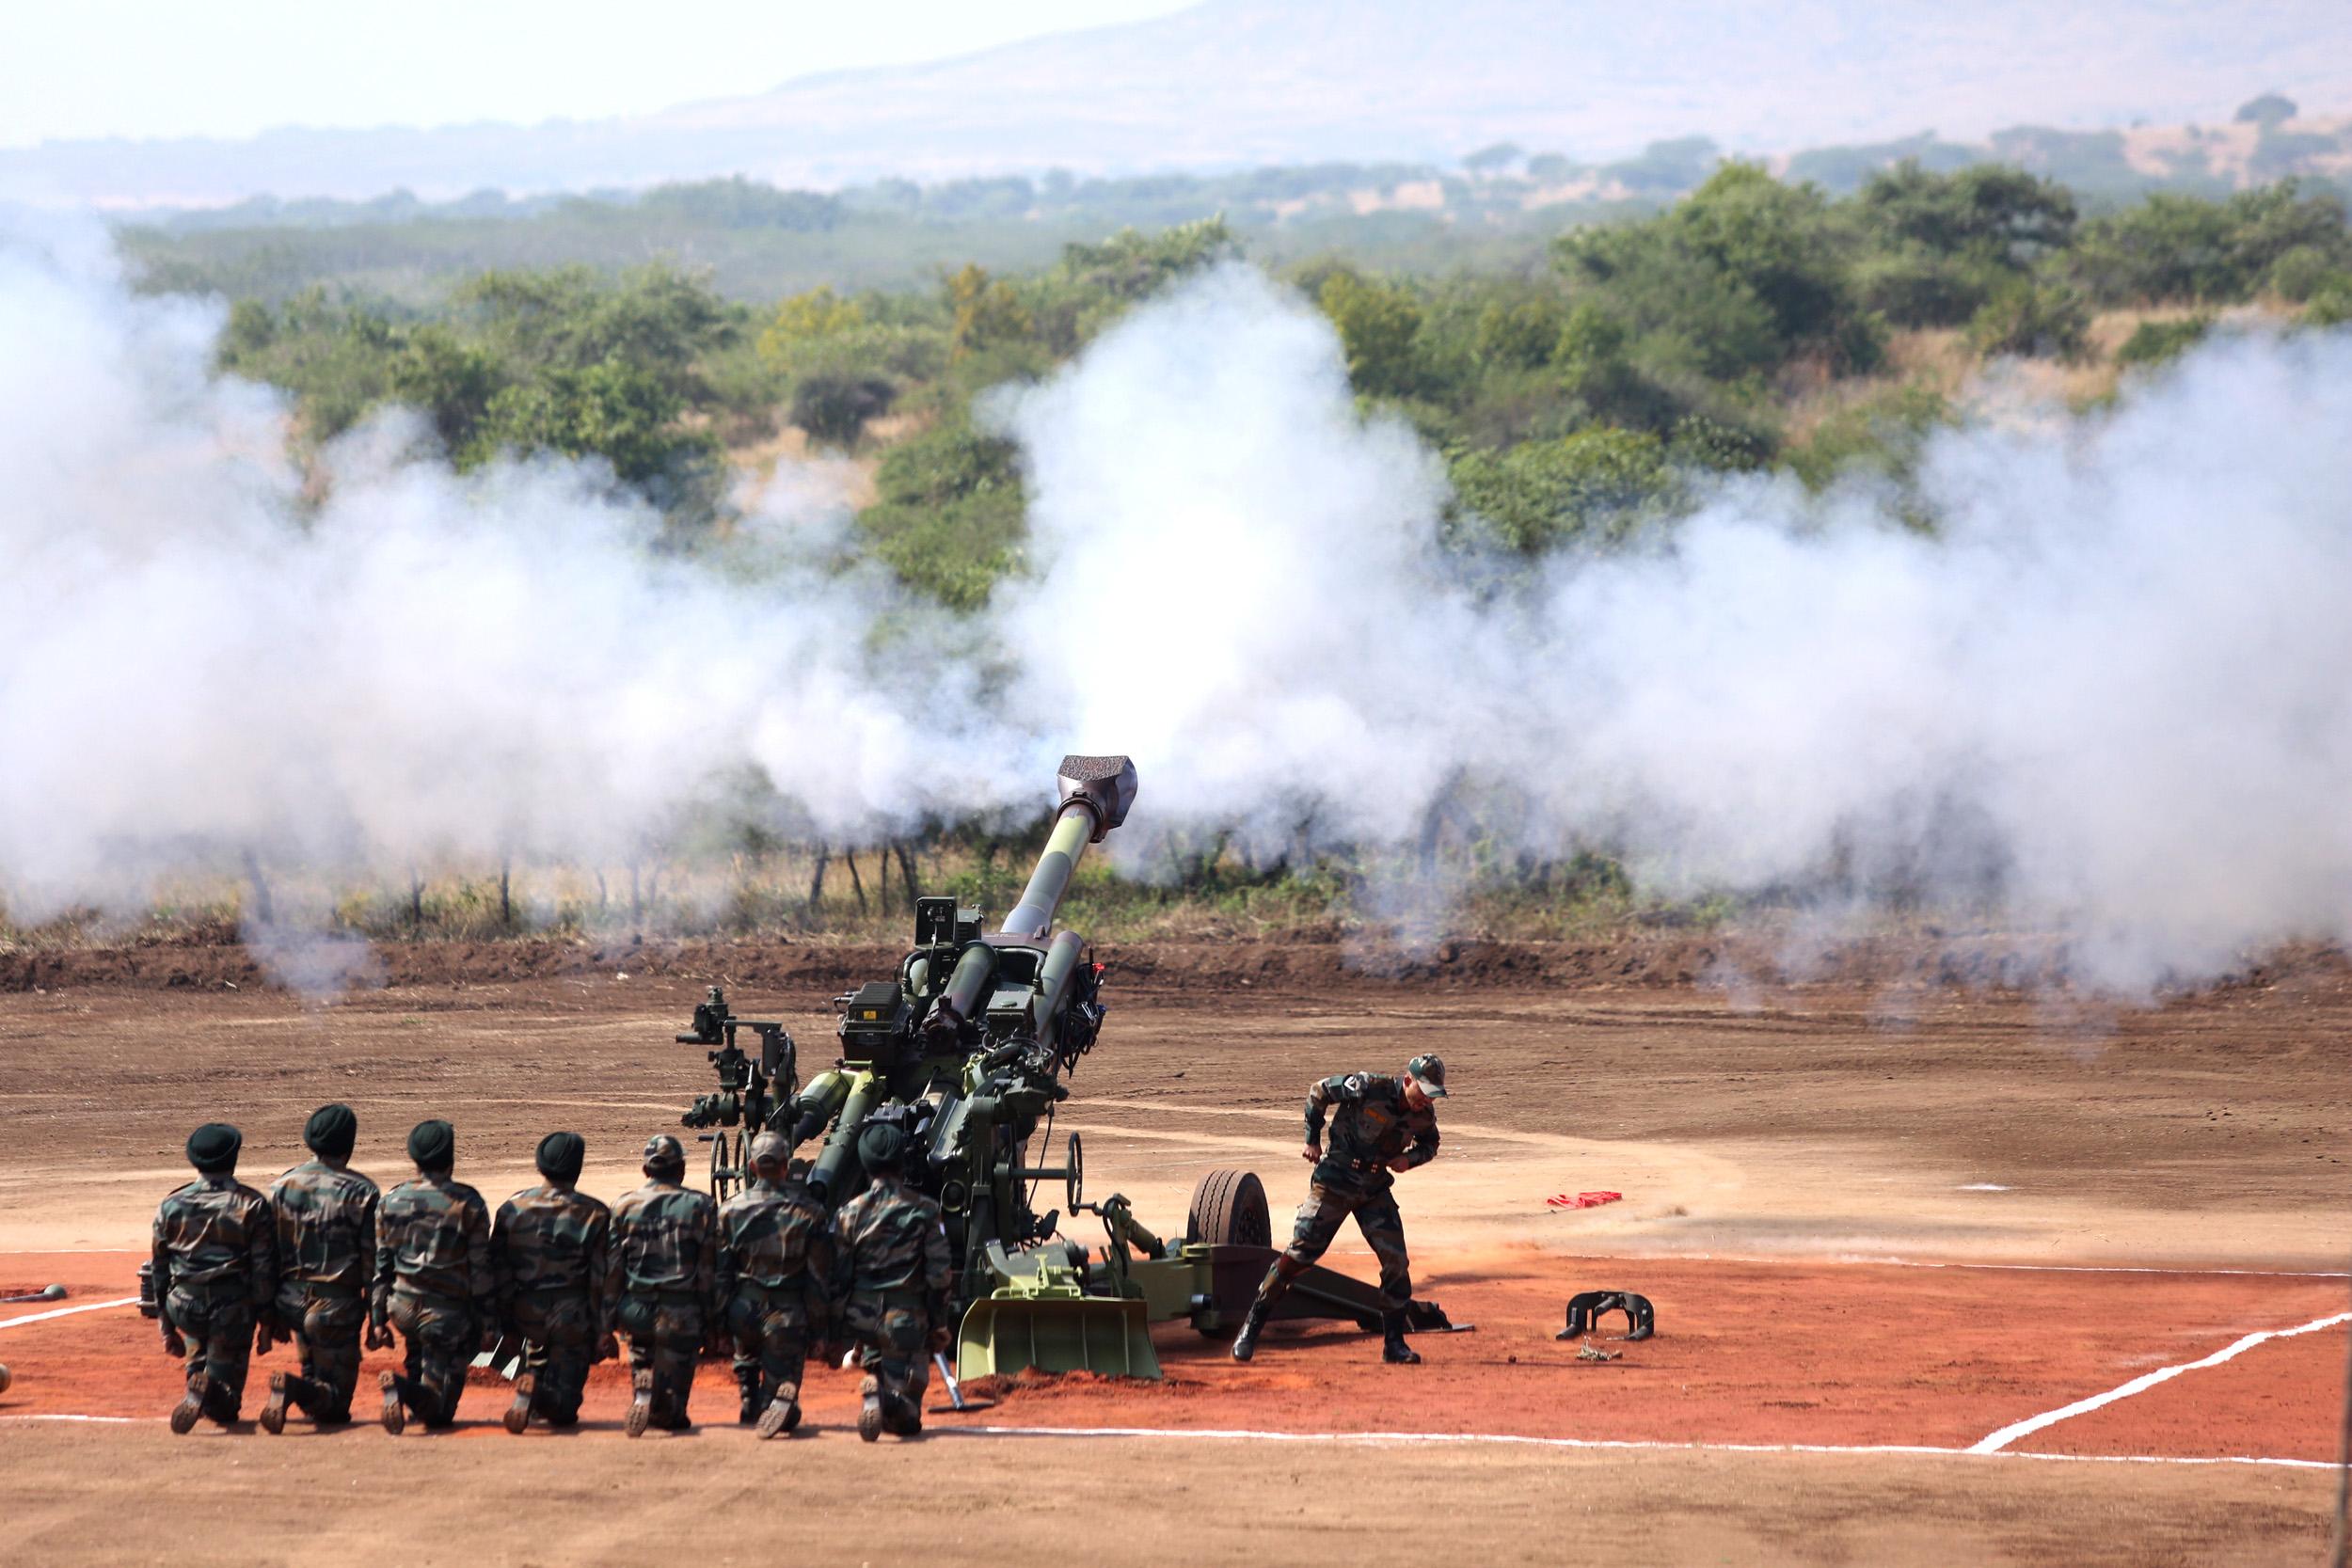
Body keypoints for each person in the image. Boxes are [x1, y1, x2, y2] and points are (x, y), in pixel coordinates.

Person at [1232, 1053, 1448, 1366]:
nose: (1426, 1101)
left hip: (1373, 1187)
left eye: (1433, 1096)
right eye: (1423, 1093)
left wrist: (1409, 1161)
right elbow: (1319, 1091)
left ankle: (1394, 1344)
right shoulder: (1369, 1086)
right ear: (1407, 1081)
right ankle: (1250, 1329)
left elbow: (1431, 1144)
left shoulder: (1424, 1116)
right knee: (1299, 1256)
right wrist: (1312, 1140)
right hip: (1336, 1179)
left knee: (1396, 1261)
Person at [258, 1103, 378, 1433]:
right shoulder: (362, 1192)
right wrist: (376, 1320)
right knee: (336, 1405)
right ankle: (294, 1389)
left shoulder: (281, 1187)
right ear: (349, 1145)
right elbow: (372, 1265)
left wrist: (268, 1317)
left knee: (313, 1367)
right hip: (335, 1308)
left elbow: (267, 1258)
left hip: (290, 1302)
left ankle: (301, 1385)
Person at [831, 1122, 951, 1442]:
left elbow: (839, 1274)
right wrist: (939, 1325)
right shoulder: (925, 1211)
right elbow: (939, 1275)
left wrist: (840, 1329)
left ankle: (877, 1387)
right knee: (908, 1420)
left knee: (881, 1366)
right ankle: (886, 1399)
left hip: (865, 1325)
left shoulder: (848, 1213)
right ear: (902, 1162)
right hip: (907, 1323)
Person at [371, 1118, 493, 1433]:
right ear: (450, 1159)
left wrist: (377, 1319)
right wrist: (488, 1322)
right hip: (446, 1315)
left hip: (403, 1308)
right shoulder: (468, 1202)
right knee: (440, 1414)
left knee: (417, 1350)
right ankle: (402, 1388)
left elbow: (382, 1266)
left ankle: (410, 1390)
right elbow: (480, 1270)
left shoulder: (391, 1201)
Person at [152, 1123, 277, 1432]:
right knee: (228, 1404)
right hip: (229, 1307)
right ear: (233, 1158)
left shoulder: (171, 1204)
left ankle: (198, 1380)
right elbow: (264, 1268)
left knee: (199, 1353)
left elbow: (158, 1268)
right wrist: (265, 1320)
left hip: (184, 1303)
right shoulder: (252, 1204)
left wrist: (166, 1326)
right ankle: (209, 1391)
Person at [490, 1132, 613, 1433]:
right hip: (571, 1315)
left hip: (525, 1312)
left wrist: (505, 1325)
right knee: (566, 1407)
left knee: (538, 1356)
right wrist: (603, 1330)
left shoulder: (511, 1208)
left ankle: (532, 1388)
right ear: (578, 1167)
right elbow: (602, 1279)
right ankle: (537, 1394)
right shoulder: (595, 1213)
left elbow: (497, 1270)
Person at [717, 1130, 834, 1438]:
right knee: (783, 1386)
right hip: (787, 1316)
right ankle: (778, 1402)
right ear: (786, 1167)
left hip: (743, 1310)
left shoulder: (729, 1210)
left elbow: (721, 1273)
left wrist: (718, 1325)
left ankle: (747, 1396)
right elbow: (818, 1279)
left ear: (752, 1167)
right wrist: (821, 1332)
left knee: (746, 1351)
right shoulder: (810, 1213)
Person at [607, 1133, 720, 1436]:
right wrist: (710, 1319)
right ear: (681, 1169)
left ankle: (643, 1386)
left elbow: (614, 1268)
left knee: (641, 1350)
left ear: (646, 1170)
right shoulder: (701, 1206)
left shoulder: (623, 1206)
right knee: (675, 1396)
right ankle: (667, 1409)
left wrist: (609, 1317)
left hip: (636, 1307)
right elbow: (708, 1271)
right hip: (680, 1310)